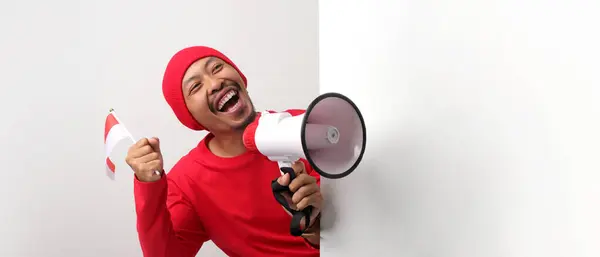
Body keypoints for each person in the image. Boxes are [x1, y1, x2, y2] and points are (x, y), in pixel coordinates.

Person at [125, 46, 322, 257]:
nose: (215, 83)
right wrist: (149, 186)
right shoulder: (187, 182)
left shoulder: (304, 127)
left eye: (217, 67)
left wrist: (316, 225)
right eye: (195, 86)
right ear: (189, 115)